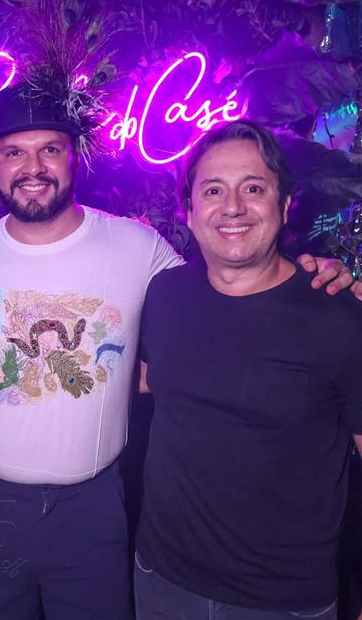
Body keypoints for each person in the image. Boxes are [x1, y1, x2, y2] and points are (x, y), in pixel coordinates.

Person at [0, 76, 361, 620]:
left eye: (50, 149)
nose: (33, 167)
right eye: (14, 152)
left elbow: (231, 281)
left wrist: (322, 275)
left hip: (97, 505)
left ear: (75, 155)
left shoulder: (138, 247)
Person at [134, 120, 362, 620]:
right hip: (160, 580)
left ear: (285, 205)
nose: (232, 207)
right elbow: (144, 381)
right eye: (213, 190)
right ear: (189, 210)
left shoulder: (340, 317)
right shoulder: (165, 294)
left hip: (283, 601)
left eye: (253, 188)